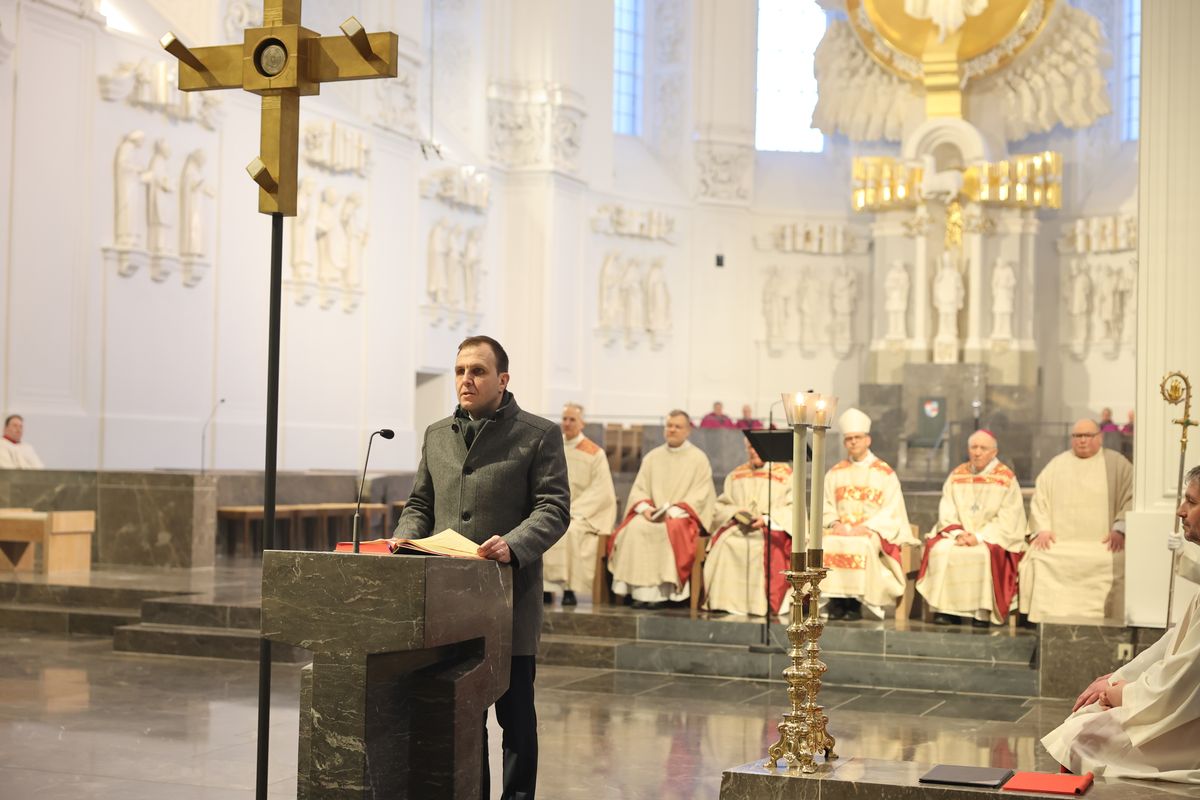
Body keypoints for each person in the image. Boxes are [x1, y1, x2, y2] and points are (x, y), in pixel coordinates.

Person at [391, 335, 569, 800]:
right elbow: (420, 502)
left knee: (515, 716)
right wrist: (406, 536)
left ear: (502, 379)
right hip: (447, 600)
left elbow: (554, 508)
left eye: (478, 371)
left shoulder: (538, 434)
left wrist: (513, 544)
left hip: (509, 596)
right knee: (461, 714)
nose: (466, 380)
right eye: (460, 371)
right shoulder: (435, 435)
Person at [1041, 464, 1200, 783]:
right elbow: (1174, 643)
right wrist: (1120, 677)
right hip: (1176, 706)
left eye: (1192, 502)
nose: (1181, 511)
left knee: (1086, 736)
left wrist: (1122, 692)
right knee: (1088, 718)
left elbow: (1180, 684)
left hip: (1190, 728)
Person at [1020, 419, 1133, 623]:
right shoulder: (1056, 465)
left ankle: (1111, 616)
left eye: (1088, 436)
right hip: (1061, 542)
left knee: (1120, 560)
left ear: (1100, 437)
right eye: (1077, 436)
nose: (1082, 441)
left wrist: (1120, 529)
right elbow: (1040, 499)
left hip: (1104, 543)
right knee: (1041, 557)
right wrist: (1043, 529)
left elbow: (1131, 498)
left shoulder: (1117, 464)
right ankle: (1048, 615)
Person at [915, 430, 1027, 627]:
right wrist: (958, 533)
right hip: (958, 535)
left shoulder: (1006, 478)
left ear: (994, 452)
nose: (977, 452)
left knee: (981, 554)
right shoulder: (957, 475)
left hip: (990, 538)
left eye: (983, 448)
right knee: (941, 551)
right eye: (973, 448)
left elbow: (1009, 519)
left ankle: (980, 612)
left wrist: (979, 537)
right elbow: (947, 509)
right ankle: (946, 611)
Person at [607, 410, 716, 609]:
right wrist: (646, 509)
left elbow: (701, 495)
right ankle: (639, 592)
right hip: (653, 513)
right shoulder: (652, 457)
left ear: (688, 430)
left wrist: (673, 512)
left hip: (681, 516)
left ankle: (664, 594)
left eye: (677, 426)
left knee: (668, 530)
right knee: (634, 528)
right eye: (669, 425)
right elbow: (639, 489)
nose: (672, 430)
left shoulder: (698, 459)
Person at [821, 408, 915, 621]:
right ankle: (837, 601)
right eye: (848, 439)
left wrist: (866, 527)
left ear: (867, 440)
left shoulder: (884, 473)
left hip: (871, 530)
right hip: (841, 530)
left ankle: (855, 603)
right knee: (827, 544)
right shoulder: (835, 473)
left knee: (861, 545)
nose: (853, 442)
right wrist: (835, 524)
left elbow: (892, 509)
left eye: (857, 438)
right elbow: (826, 504)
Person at [702, 437, 793, 616]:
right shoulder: (736, 475)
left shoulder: (786, 475)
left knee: (758, 547)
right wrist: (736, 512)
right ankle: (726, 602)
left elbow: (792, 508)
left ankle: (759, 606)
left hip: (770, 529)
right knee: (726, 544)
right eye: (750, 447)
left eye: (756, 447)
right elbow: (721, 506)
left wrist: (767, 518)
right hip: (740, 527)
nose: (753, 451)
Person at [542, 402, 617, 607]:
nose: (567, 423)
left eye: (572, 419)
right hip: (554, 508)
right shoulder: (553, 448)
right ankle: (545, 588)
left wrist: (572, 510)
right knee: (540, 527)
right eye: (564, 419)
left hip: (582, 514)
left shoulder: (594, 453)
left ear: (582, 423)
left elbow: (601, 491)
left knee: (569, 531)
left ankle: (568, 589)